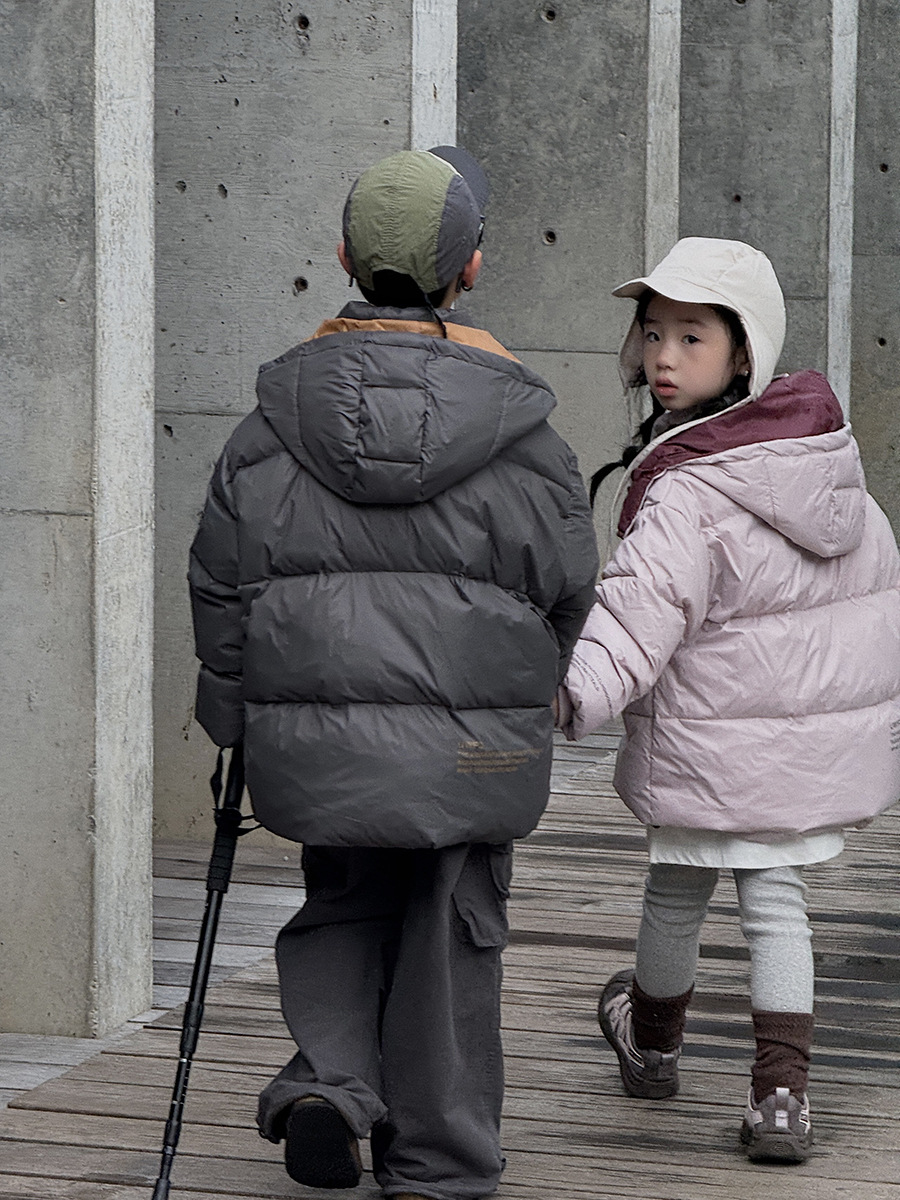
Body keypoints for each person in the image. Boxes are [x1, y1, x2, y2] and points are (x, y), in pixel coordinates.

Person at [188, 145, 599, 1200]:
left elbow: (222, 588)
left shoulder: (266, 432)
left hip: (316, 739)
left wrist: (234, 719)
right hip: (473, 746)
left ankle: (330, 1081)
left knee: (341, 896)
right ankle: (440, 1161)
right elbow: (567, 591)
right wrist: (512, 702)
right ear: (471, 270)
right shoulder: (530, 441)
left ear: (341, 257)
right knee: (453, 924)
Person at [557, 237, 900, 1163]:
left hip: (704, 744)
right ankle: (781, 1098)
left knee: (675, 892)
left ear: (745, 351)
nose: (664, 356)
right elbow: (873, 607)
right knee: (775, 901)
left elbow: (636, 617)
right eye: (653, 333)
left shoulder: (689, 489)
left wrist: (566, 697)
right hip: (797, 758)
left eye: (692, 336)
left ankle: (654, 1048)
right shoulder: (828, 467)